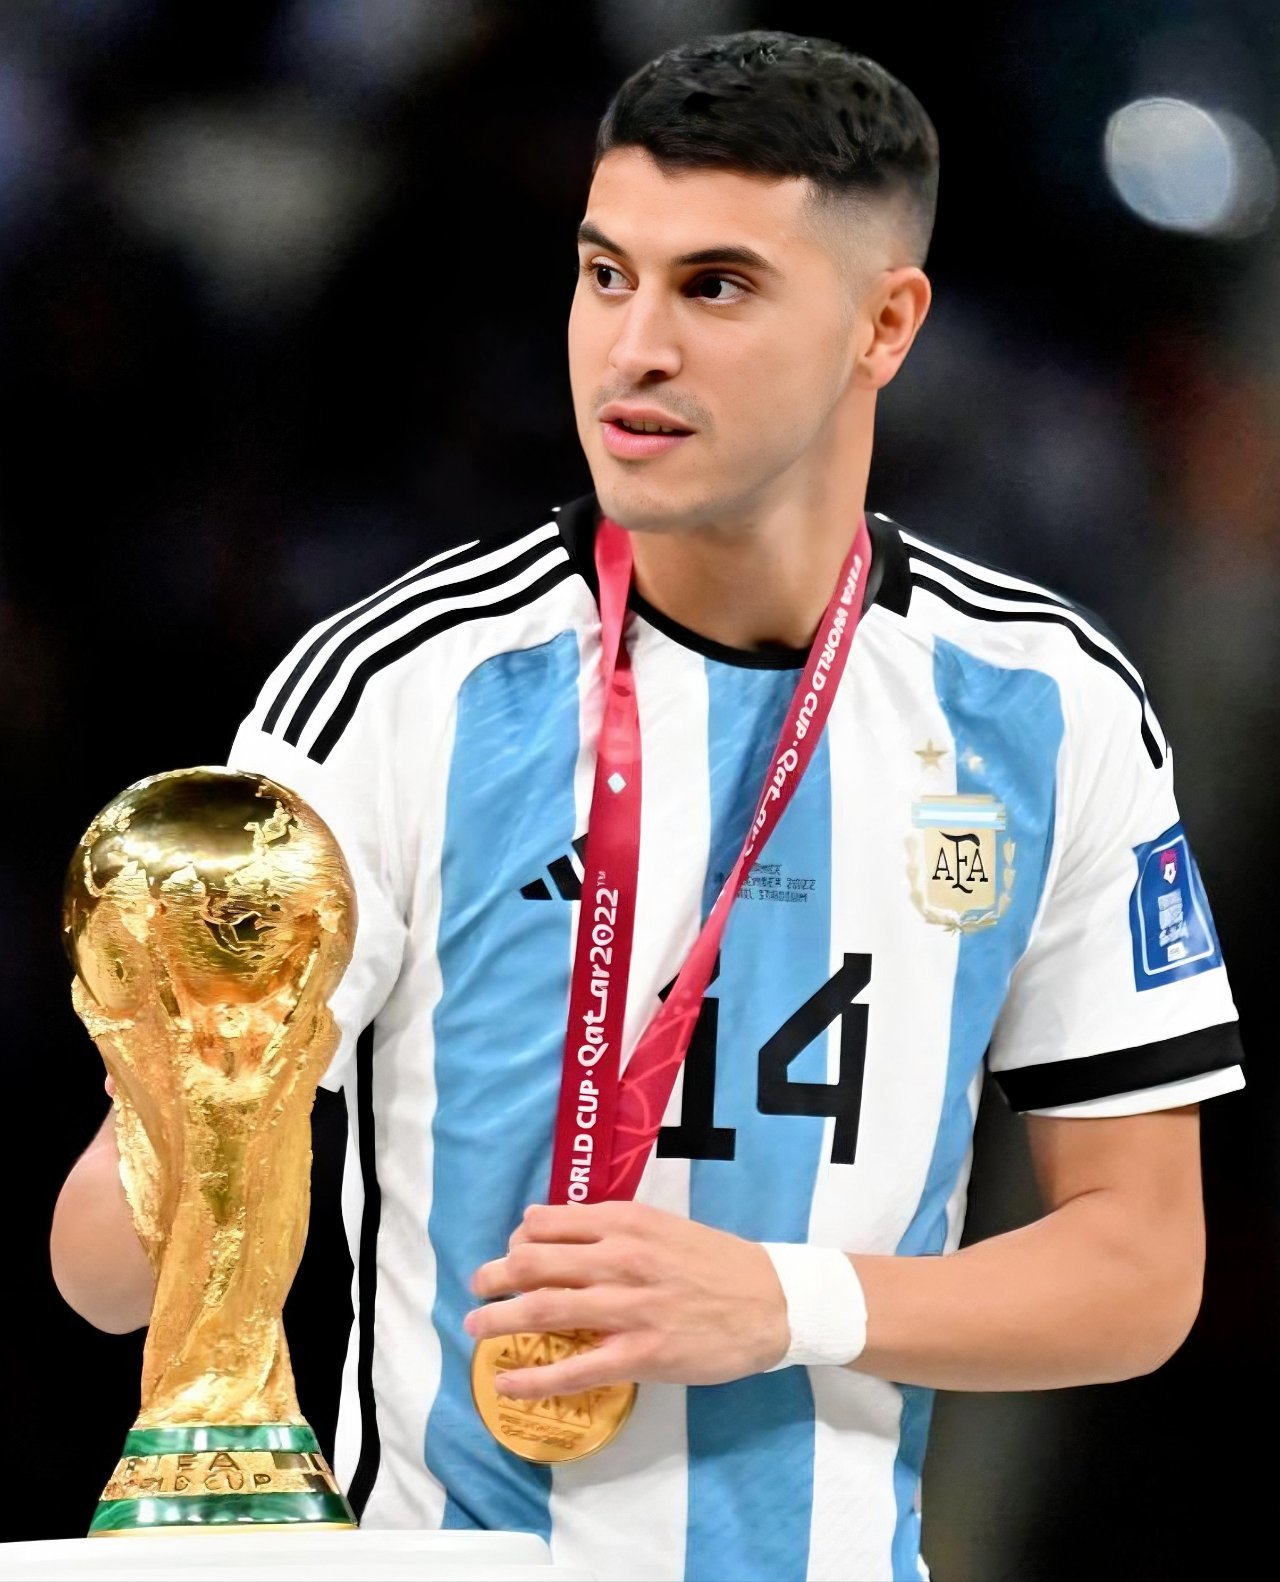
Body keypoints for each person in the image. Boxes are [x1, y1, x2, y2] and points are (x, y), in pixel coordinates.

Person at [51, 31, 1244, 1582]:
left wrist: (785, 1302)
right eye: (606, 275)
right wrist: (195, 1107)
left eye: (716, 287)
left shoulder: (1048, 705)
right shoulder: (398, 692)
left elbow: (1141, 1268)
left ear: (885, 325)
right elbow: (102, 1274)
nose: (634, 349)